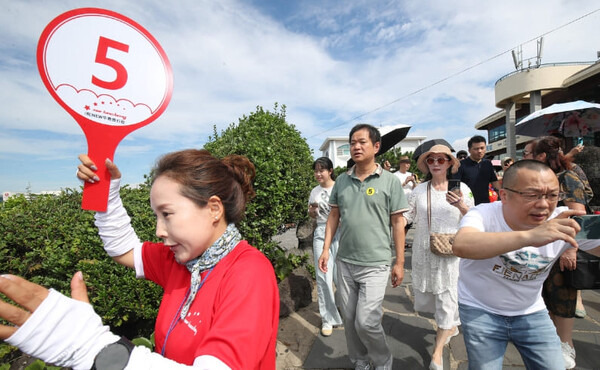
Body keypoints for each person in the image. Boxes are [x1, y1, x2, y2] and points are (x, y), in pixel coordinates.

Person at [0, 149, 280, 369]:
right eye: (157, 216)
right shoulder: (184, 260)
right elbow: (124, 248)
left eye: (167, 214)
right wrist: (106, 190)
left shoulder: (248, 272)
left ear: (214, 209)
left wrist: (91, 349)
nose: (159, 230)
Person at [452, 160, 600, 369]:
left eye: (552, 195)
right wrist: (530, 236)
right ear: (504, 195)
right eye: (532, 195)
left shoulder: (564, 221)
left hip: (531, 311)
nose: (543, 204)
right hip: (480, 309)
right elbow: (462, 245)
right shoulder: (484, 213)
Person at [318, 123, 408, 370]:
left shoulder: (389, 181)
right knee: (349, 319)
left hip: (376, 263)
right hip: (345, 261)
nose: (356, 147)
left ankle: (382, 361)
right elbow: (333, 216)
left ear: (376, 146)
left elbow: (398, 222)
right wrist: (326, 249)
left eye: (362, 142)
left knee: (366, 321)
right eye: (352, 143)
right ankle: (359, 361)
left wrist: (399, 262)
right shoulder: (342, 182)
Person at [403, 144, 473, 370]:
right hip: (424, 250)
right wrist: (394, 222)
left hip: (450, 252)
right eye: (431, 160)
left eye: (441, 160)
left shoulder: (461, 188)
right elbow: (407, 216)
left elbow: (474, 217)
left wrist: (461, 204)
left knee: (446, 297)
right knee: (431, 299)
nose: (435, 164)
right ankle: (449, 326)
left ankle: (438, 350)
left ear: (450, 163)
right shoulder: (419, 190)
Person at [529, 136, 591, 368]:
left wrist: (571, 248)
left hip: (563, 247)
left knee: (562, 295)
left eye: (529, 153)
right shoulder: (544, 179)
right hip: (544, 246)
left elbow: (579, 216)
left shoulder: (568, 178)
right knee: (546, 298)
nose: (525, 157)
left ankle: (566, 346)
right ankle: (550, 343)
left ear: (542, 156)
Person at [308, 157, 343, 337]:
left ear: (330, 171)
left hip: (341, 234)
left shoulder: (340, 187)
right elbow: (312, 214)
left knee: (341, 276)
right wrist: (312, 212)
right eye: (316, 170)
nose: (318, 174)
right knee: (323, 277)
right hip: (321, 234)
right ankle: (327, 318)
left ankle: (340, 306)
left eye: (321, 170)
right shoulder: (314, 191)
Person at [454, 135, 499, 205]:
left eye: (482, 148)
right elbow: (456, 186)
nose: (480, 151)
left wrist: (500, 196)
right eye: (476, 149)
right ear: (469, 150)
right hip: (467, 204)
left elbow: (494, 182)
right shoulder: (461, 165)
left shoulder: (487, 164)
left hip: (485, 204)